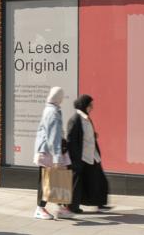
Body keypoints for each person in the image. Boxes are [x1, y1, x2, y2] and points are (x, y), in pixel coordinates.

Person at [65, 94, 111, 213]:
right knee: (77, 183)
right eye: (90, 105)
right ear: (84, 105)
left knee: (99, 179)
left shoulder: (86, 118)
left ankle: (100, 203)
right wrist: (75, 159)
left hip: (92, 155)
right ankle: (73, 207)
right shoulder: (75, 120)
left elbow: (86, 135)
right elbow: (71, 140)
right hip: (82, 157)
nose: (92, 107)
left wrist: (93, 136)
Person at [32, 86, 72, 220]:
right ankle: (40, 208)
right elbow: (53, 136)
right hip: (48, 153)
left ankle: (61, 207)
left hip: (49, 152)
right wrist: (57, 158)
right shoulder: (52, 112)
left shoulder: (52, 110)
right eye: (61, 96)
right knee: (47, 181)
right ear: (58, 98)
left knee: (56, 179)